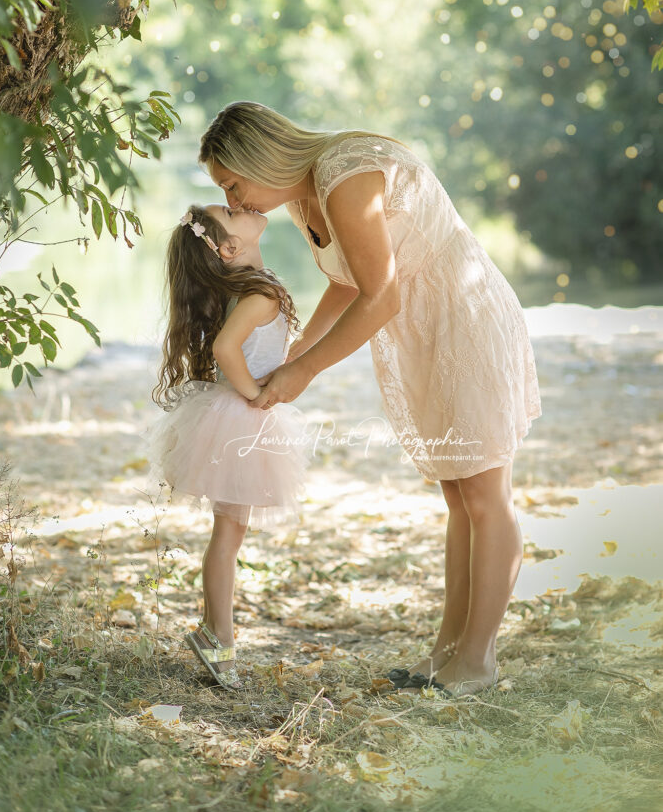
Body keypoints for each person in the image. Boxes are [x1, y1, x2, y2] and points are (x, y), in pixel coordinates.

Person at [197, 100, 543, 698]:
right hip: (425, 329)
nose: (233, 203)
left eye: (232, 183)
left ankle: (478, 661)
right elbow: (347, 280)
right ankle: (447, 655)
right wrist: (295, 351)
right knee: (459, 496)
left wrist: (303, 371)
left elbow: (379, 298)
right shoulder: (309, 198)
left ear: (258, 157)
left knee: (485, 494)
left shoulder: (346, 177)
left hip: (464, 319)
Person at [144, 202, 311, 691]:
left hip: (229, 416)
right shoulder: (259, 292)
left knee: (229, 534)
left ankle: (215, 633)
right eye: (228, 210)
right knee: (228, 536)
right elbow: (224, 350)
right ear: (230, 247)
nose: (239, 205)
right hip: (239, 418)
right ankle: (218, 638)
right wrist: (256, 395)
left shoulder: (254, 287)